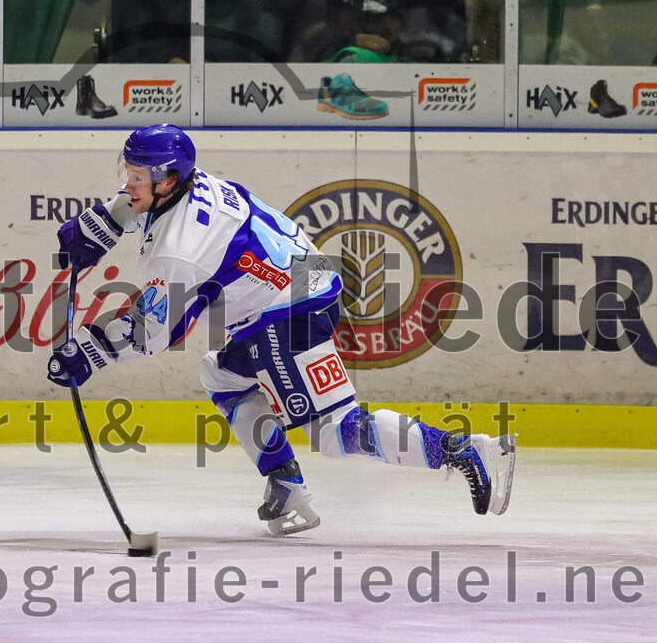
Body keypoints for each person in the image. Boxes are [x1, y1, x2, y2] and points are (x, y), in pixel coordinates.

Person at [47, 125, 516, 536]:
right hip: (305, 276)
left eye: (137, 177)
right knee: (224, 376)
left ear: (168, 179)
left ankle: (463, 450)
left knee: (334, 429)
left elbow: (153, 332)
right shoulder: (186, 184)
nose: (128, 185)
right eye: (127, 172)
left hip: (289, 305)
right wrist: (99, 225)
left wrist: (88, 352)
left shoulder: (179, 250)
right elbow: (138, 206)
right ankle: (285, 482)